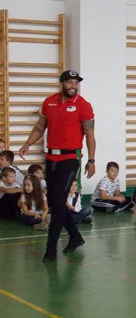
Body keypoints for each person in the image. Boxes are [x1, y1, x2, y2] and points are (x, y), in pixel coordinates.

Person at [18, 70, 96, 261]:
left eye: (76, 83)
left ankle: (51, 247)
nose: (73, 86)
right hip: (51, 157)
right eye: (70, 82)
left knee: (59, 200)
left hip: (70, 158)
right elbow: (40, 127)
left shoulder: (83, 105)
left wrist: (91, 160)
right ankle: (75, 236)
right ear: (62, 83)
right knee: (55, 202)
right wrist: (28, 143)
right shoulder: (49, 102)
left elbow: (90, 135)